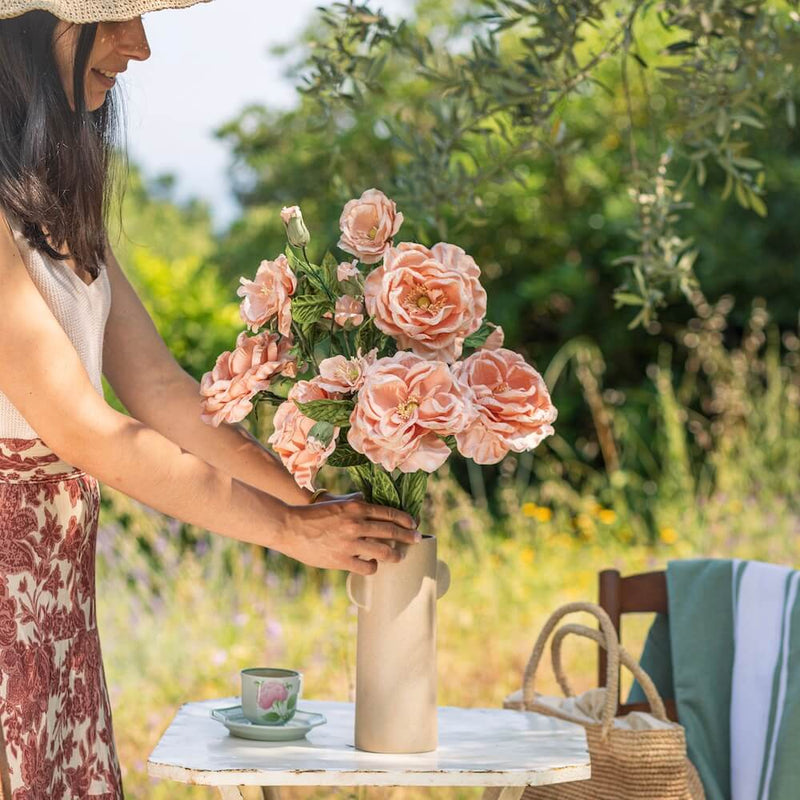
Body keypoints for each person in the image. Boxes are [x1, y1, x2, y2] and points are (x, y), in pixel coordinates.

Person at [0, 2, 419, 796]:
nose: (141, 47)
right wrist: (290, 533)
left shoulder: (50, 207)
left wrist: (311, 498)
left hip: (50, 603)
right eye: (117, 16)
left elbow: (162, 391)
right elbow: (93, 434)